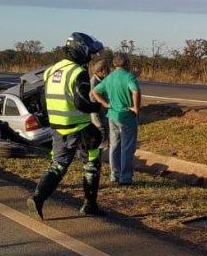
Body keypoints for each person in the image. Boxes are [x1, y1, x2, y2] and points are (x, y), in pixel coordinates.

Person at [27, 32, 105, 219]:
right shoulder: (78, 72)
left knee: (58, 165)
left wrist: (50, 119)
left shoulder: (52, 70)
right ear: (81, 49)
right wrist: (98, 105)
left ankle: (37, 198)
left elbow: (42, 100)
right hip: (80, 127)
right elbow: (82, 103)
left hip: (57, 127)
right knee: (92, 163)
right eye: (90, 53)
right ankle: (89, 205)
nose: (90, 57)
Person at [92, 52, 141, 186]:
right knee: (127, 147)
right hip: (126, 116)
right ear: (126, 63)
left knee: (114, 146)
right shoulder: (129, 76)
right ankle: (125, 177)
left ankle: (115, 174)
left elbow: (95, 92)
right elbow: (135, 91)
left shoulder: (109, 77)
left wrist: (105, 104)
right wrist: (136, 108)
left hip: (112, 116)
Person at [89, 58, 111, 151]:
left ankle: (106, 145)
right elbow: (93, 97)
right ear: (101, 70)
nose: (107, 71)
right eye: (106, 69)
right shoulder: (94, 81)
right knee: (99, 127)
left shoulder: (103, 79)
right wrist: (104, 104)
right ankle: (100, 147)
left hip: (102, 107)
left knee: (106, 125)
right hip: (95, 108)